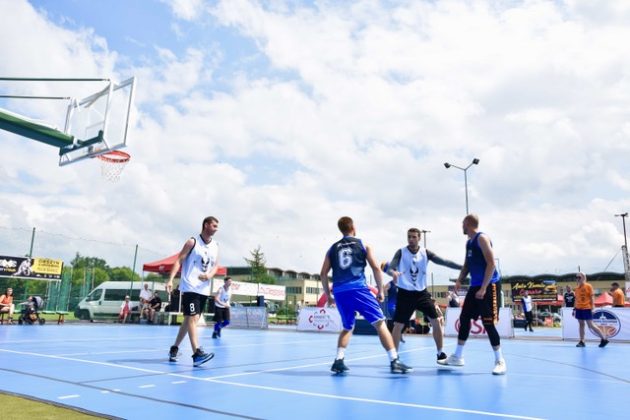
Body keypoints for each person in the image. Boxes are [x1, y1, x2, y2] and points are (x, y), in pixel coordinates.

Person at [320, 216, 412, 374]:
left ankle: (338, 360)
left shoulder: (332, 248)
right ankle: (394, 360)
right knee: (380, 323)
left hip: (340, 291)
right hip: (358, 289)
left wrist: (328, 295)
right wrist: (381, 291)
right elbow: (376, 268)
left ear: (341, 229)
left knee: (348, 326)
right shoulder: (363, 245)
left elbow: (323, 273)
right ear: (353, 227)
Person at [438, 214, 507, 375]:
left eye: (462, 223)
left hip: (489, 285)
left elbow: (491, 263)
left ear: (468, 224)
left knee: (488, 323)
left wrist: (483, 288)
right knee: (464, 318)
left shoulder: (481, 239)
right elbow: (467, 265)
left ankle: (500, 361)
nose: (461, 226)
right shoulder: (469, 242)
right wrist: (459, 280)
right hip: (475, 286)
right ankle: (458, 356)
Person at [386, 228, 462, 362]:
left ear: (419, 238)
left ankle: (440, 353)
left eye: (414, 237)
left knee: (437, 320)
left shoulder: (425, 253)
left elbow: (445, 262)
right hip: (405, 293)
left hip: (422, 294)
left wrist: (462, 267)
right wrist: (393, 273)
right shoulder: (401, 252)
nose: (411, 239)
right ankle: (394, 358)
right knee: (398, 325)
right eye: (409, 237)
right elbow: (391, 267)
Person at [166, 216, 220, 367]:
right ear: (206, 225)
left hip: (203, 289)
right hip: (190, 286)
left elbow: (216, 265)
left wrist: (209, 275)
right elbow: (179, 260)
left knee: (191, 320)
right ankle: (196, 353)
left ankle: (174, 348)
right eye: (214, 225)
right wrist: (170, 279)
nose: (216, 228)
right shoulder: (192, 242)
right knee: (191, 317)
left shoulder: (216, 245)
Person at [573, 272, 609, 347]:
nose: (577, 279)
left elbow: (592, 297)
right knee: (581, 324)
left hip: (587, 308)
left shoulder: (588, 286)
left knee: (591, 325)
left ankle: (604, 339)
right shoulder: (576, 288)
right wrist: (574, 309)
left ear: (583, 277)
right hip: (579, 308)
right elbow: (576, 299)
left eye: (579, 277)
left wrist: (593, 308)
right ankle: (582, 341)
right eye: (576, 277)